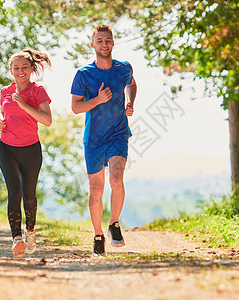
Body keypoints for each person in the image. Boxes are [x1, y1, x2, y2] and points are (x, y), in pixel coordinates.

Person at [70, 25, 137, 256]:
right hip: (94, 139)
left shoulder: (124, 68)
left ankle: (114, 224)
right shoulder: (84, 74)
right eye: (100, 41)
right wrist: (97, 100)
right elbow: (76, 107)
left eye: (108, 40)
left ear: (113, 43)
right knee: (96, 190)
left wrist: (130, 102)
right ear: (93, 45)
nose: (104, 44)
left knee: (117, 179)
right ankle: (98, 235)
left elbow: (132, 83)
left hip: (118, 134)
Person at [0, 49, 52, 258]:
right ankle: (16, 238)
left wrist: (23, 104)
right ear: (11, 70)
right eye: (16, 68)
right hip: (6, 148)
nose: (20, 71)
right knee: (14, 191)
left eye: (24, 68)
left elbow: (47, 120)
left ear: (31, 69)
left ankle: (30, 232)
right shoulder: (4, 91)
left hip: (31, 149)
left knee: (29, 196)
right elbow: (3, 111)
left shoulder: (38, 91)